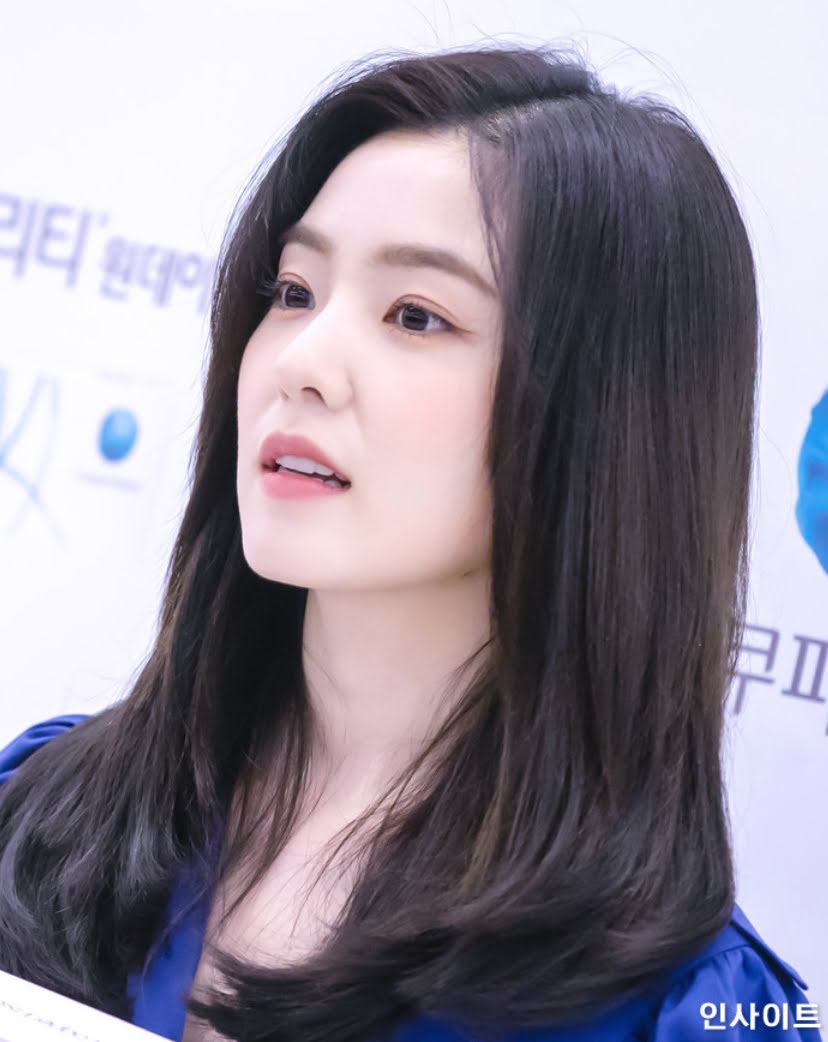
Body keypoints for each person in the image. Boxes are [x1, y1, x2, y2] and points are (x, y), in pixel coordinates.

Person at [0, 40, 822, 1042]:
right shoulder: (42, 815)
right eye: (293, 291)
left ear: (606, 418)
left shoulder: (686, 1013)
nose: (302, 360)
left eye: (417, 316)